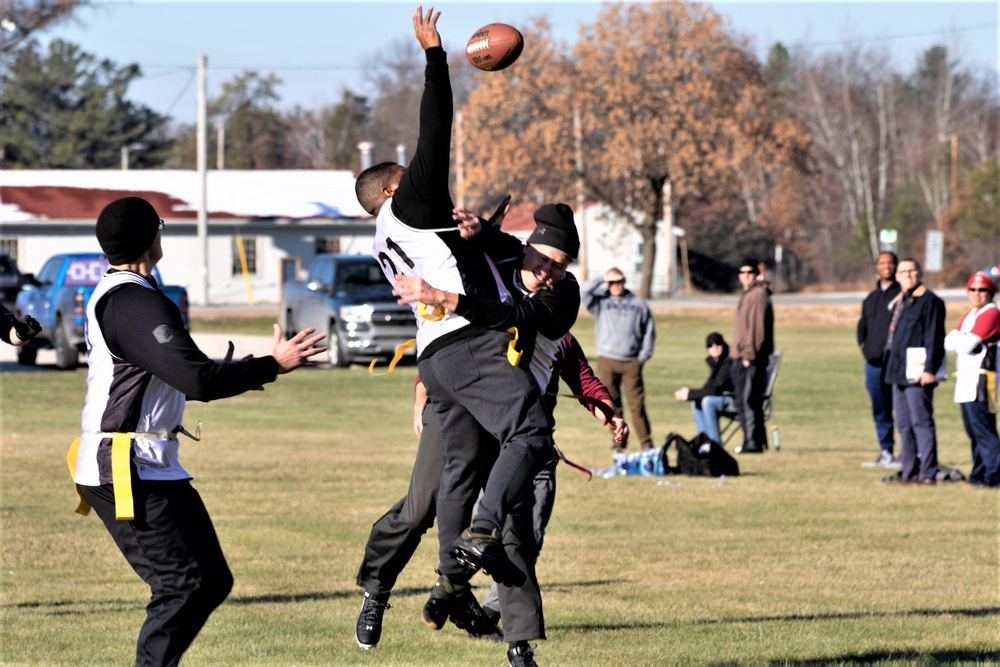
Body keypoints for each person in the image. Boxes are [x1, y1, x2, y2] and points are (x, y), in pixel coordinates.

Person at [355, 9, 566, 665]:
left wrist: (480, 235)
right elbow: (435, 127)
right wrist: (434, 56)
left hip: (436, 360)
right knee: (530, 435)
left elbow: (462, 259)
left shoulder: (388, 236)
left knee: (456, 482)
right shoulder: (409, 200)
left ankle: (483, 610)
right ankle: (465, 546)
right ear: (395, 186)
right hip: (466, 349)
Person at [70, 196, 326, 667]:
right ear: (152, 238)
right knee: (180, 585)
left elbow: (181, 372)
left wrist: (250, 368)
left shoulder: (131, 295)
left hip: (151, 464)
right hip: (126, 466)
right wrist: (273, 365)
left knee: (210, 579)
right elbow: (196, 381)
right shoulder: (133, 301)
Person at [360, 203, 584, 667]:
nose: (545, 273)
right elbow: (439, 316)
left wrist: (597, 398)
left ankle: (517, 643)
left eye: (558, 267)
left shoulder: (563, 297)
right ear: (527, 247)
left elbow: (510, 318)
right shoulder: (499, 255)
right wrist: (422, 385)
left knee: (515, 527)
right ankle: (378, 590)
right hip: (459, 389)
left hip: (505, 404)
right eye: (540, 260)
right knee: (421, 504)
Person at [882, 258, 945, 485]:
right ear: (897, 276)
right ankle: (909, 472)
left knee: (921, 422)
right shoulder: (901, 302)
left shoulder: (930, 301)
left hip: (919, 373)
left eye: (912, 271)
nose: (908, 275)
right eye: (903, 271)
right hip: (898, 372)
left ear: (920, 274)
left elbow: (934, 338)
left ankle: (927, 473)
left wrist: (930, 370)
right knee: (904, 425)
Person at [582, 268, 656, 450]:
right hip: (607, 359)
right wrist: (602, 278)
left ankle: (647, 444)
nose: (617, 285)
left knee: (637, 405)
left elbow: (649, 331)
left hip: (632, 362)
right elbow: (582, 292)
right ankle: (619, 442)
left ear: (625, 281)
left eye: (620, 281)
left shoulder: (639, 304)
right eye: (612, 282)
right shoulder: (601, 301)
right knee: (612, 405)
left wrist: (642, 357)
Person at [944, 272, 1000, 488]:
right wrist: (965, 340)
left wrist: (964, 340)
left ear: (991, 292)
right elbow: (948, 341)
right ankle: (979, 475)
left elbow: (965, 345)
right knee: (973, 430)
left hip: (982, 380)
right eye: (973, 290)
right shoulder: (972, 314)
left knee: (984, 430)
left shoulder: (990, 313)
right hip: (966, 379)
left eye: (982, 290)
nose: (977, 294)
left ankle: (994, 476)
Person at [857, 252, 902, 468]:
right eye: (882, 263)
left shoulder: (902, 295)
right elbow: (862, 327)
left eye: (890, 263)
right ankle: (886, 450)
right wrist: (865, 348)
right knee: (880, 409)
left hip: (896, 363)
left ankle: (909, 451)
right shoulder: (871, 298)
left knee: (904, 408)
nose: (887, 267)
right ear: (877, 267)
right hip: (873, 364)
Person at [730, 258, 774, 454]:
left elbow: (756, 330)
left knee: (747, 400)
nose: (745, 275)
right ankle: (755, 440)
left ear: (756, 274)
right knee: (744, 400)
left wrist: (749, 354)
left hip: (750, 357)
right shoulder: (748, 294)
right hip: (740, 355)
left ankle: (752, 443)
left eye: (749, 272)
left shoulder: (757, 295)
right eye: (742, 272)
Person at [674, 332, 735, 445]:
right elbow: (709, 387)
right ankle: (703, 443)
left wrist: (689, 394)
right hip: (723, 397)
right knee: (696, 402)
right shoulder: (717, 363)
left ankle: (714, 445)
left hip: (735, 400)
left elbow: (716, 389)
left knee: (708, 402)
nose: (715, 347)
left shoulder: (729, 362)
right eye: (710, 345)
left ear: (723, 345)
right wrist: (690, 395)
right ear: (707, 350)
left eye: (718, 344)